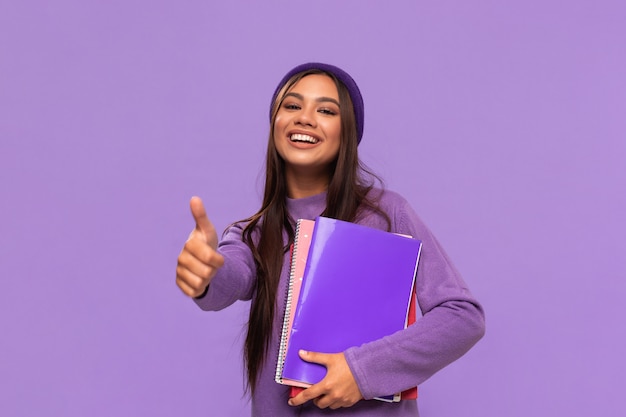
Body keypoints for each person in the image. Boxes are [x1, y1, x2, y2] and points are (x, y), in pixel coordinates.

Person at [175, 62, 485, 416]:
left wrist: (362, 370)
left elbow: (462, 317)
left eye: (325, 110)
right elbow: (229, 277)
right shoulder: (253, 235)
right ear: (274, 124)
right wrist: (206, 274)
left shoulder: (386, 214)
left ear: (347, 133)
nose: (304, 118)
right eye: (291, 106)